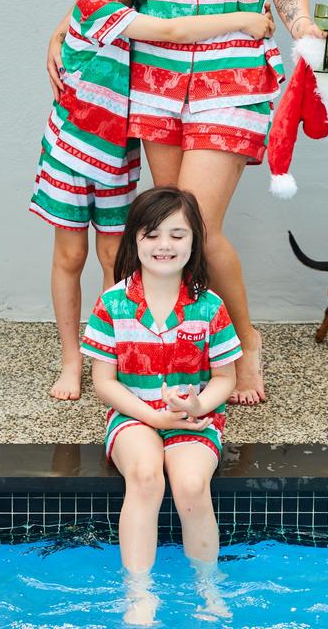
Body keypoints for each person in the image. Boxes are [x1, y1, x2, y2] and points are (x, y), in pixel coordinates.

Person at [48, 0, 328, 406]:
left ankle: (245, 343)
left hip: (234, 76)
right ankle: (181, 349)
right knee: (167, 227)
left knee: (196, 226)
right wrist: (62, 28)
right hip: (153, 80)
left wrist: (305, 29)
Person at [31, 0, 272, 400]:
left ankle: (108, 356)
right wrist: (244, 19)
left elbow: (165, 16)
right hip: (72, 151)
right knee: (70, 255)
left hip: (119, 155)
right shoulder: (98, 5)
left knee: (114, 255)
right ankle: (71, 360)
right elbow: (170, 31)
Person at [81, 186, 240, 625]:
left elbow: (226, 378)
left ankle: (207, 587)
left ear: (194, 243)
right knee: (147, 477)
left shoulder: (210, 306)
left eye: (177, 234)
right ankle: (138, 593)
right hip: (134, 416)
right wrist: (151, 414)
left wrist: (196, 404)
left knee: (190, 485)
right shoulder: (112, 302)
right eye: (152, 234)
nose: (164, 245)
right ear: (135, 240)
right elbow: (103, 382)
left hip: (194, 419)